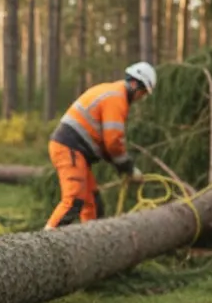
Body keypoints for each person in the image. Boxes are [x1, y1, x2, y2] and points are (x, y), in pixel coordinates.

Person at [44, 62, 157, 229]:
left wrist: (124, 167)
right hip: (69, 148)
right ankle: (47, 240)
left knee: (93, 204)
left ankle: (92, 241)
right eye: (143, 92)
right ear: (135, 84)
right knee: (74, 200)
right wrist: (127, 168)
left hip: (77, 151)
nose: (142, 97)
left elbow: (106, 143)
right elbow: (113, 141)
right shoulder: (116, 99)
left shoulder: (114, 94)